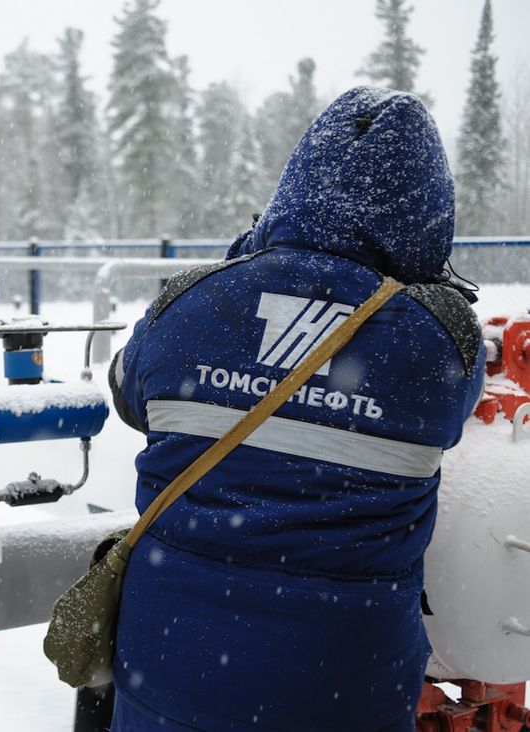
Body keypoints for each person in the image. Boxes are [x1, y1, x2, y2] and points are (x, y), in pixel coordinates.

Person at [107, 86, 485, 731]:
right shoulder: (441, 339)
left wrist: (247, 276)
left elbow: (126, 390)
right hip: (343, 681)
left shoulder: (191, 303)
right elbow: (447, 412)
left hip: (170, 660)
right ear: (427, 214)